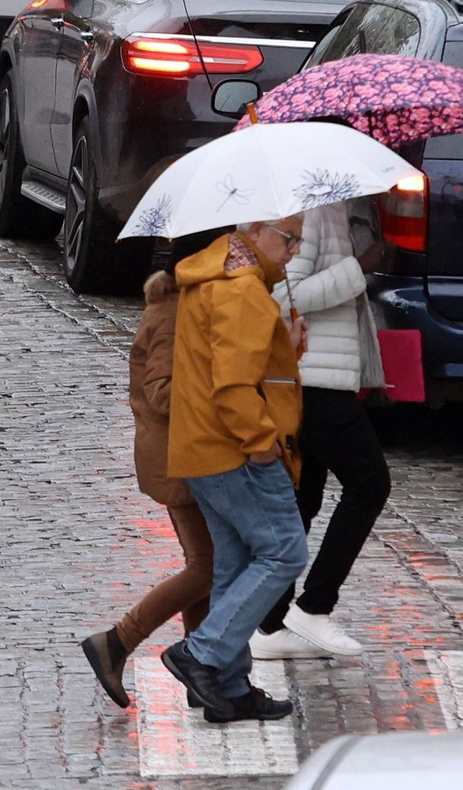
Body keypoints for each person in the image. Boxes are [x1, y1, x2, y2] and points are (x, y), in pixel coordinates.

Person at [160, 218, 310, 724]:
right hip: (235, 452)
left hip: (201, 448)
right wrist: (263, 446)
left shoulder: (216, 274)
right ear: (258, 229)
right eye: (289, 238)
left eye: (299, 238)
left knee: (237, 564)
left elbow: (230, 363)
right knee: (284, 552)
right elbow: (233, 387)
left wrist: (284, 344)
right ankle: (200, 655)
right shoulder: (243, 290)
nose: (296, 248)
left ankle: (227, 689)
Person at [249, 203, 394, 659]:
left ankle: (269, 624)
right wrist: (358, 267)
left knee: (303, 498)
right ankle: (313, 607)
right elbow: (282, 293)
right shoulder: (311, 209)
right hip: (314, 379)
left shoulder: (333, 209)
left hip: (317, 375)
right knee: (370, 483)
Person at [80, 237, 215, 710]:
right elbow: (162, 392)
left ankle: (203, 672)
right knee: (207, 567)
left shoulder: (181, 306)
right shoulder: (174, 314)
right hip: (178, 457)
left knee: (206, 566)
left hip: (182, 454)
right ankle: (118, 641)